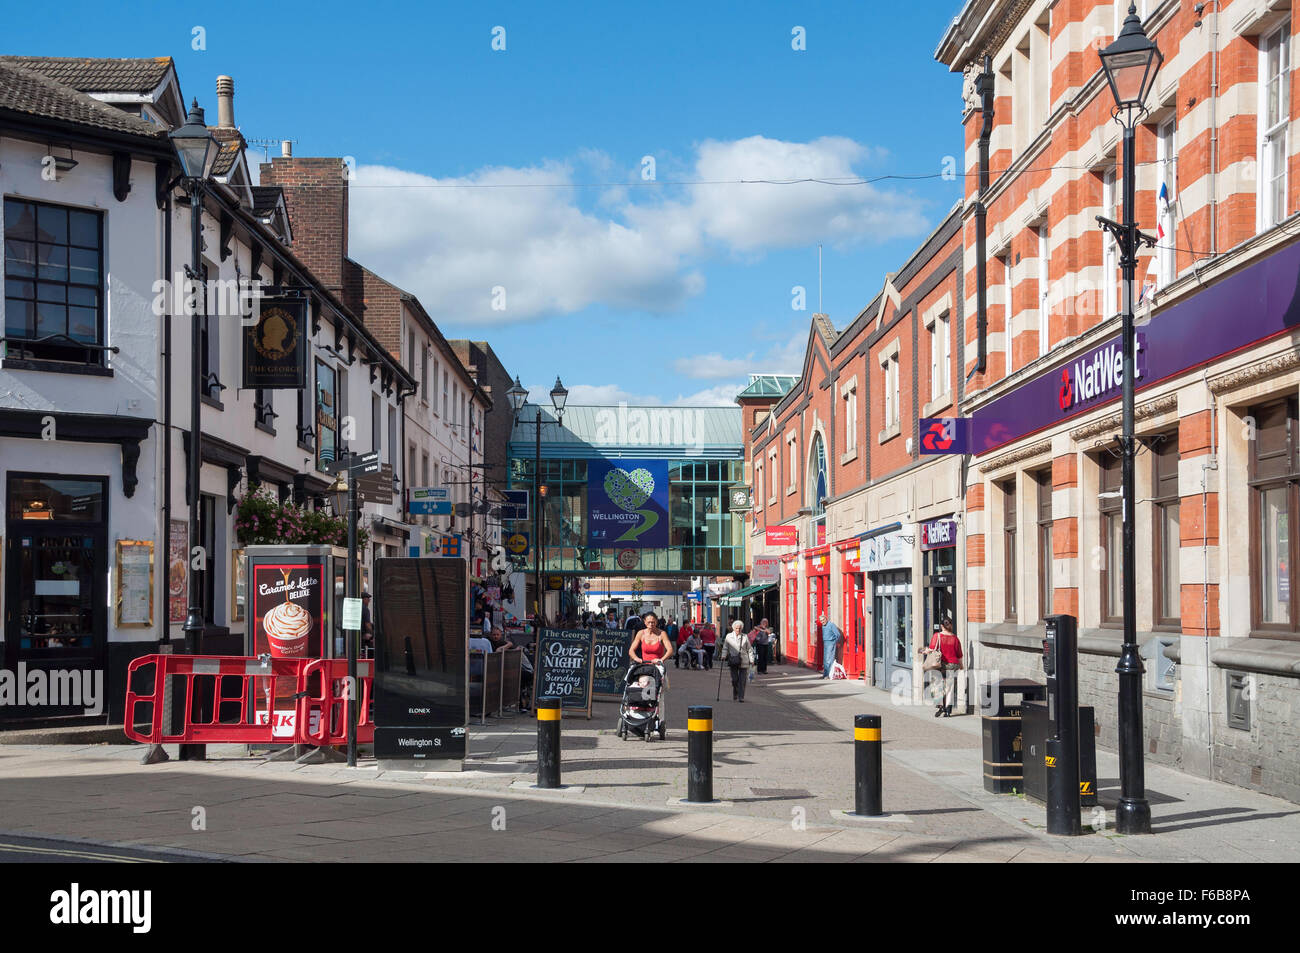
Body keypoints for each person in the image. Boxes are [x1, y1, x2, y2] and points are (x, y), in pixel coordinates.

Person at [628, 611, 673, 693]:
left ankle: (656, 703)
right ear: (645, 622)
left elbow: (670, 650)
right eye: (649, 622)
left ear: (656, 622)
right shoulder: (641, 633)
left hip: (657, 666)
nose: (651, 624)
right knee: (636, 680)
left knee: (657, 691)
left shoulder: (662, 634)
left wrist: (661, 660)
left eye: (653, 622)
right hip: (644, 665)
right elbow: (631, 650)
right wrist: (636, 658)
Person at [930, 616, 964, 717]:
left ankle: (941, 706)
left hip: (940, 665)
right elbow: (959, 655)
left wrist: (924, 650)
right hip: (953, 665)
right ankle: (948, 710)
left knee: (937, 685)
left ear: (941, 626)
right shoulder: (955, 638)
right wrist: (961, 666)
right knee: (950, 687)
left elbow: (932, 648)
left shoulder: (937, 636)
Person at [722, 620, 756, 701]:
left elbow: (750, 650)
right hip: (733, 660)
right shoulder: (728, 636)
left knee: (742, 680)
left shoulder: (745, 637)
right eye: (737, 628)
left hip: (744, 660)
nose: (738, 630)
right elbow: (725, 647)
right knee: (734, 679)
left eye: (740, 628)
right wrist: (723, 656)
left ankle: (741, 697)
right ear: (733, 628)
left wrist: (752, 660)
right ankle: (735, 692)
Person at [818, 612, 842, 679]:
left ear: (826, 619)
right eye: (821, 621)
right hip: (825, 643)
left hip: (831, 643)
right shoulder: (823, 626)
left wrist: (835, 642)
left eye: (823, 620)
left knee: (829, 659)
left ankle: (828, 675)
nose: (822, 622)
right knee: (825, 660)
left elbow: (838, 634)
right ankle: (825, 674)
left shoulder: (831, 625)